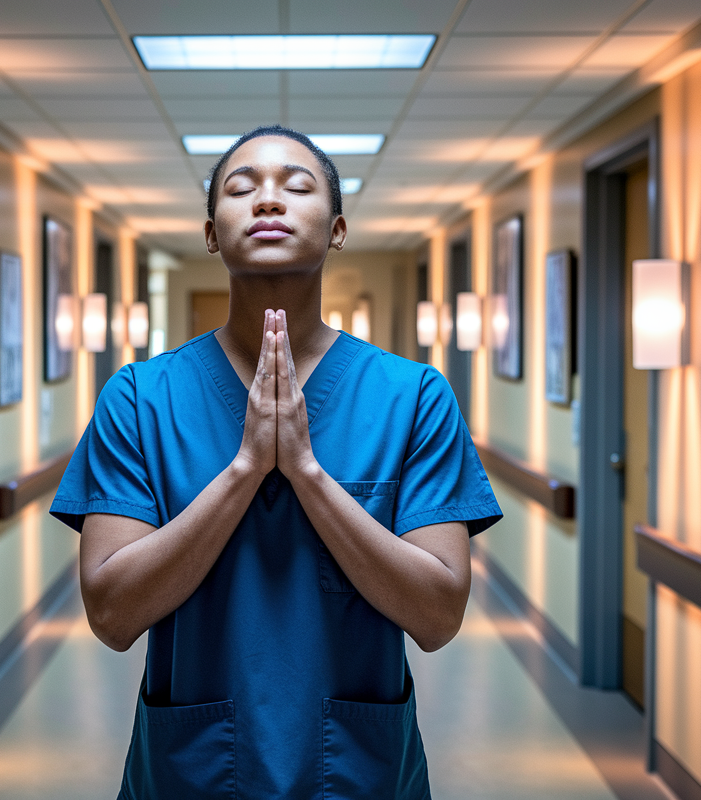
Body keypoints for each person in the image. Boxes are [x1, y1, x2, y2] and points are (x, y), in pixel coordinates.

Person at [51, 124, 502, 800]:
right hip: (194, 770)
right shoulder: (138, 399)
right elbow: (112, 616)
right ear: (211, 233)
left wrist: (308, 476)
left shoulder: (414, 397)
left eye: (296, 186)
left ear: (338, 228)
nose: (268, 201)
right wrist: (244, 471)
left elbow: (438, 617)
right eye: (241, 188)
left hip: (355, 771)